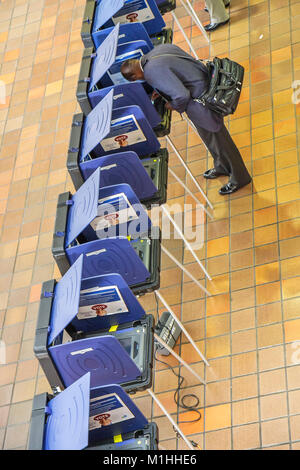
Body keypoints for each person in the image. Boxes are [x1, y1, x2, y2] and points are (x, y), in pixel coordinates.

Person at [120, 44, 251, 195]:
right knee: (210, 138)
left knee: (221, 140)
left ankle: (240, 177)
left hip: (202, 103)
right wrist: (161, 89)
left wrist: (172, 105)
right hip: (207, 85)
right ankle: (222, 166)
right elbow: (176, 70)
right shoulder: (158, 50)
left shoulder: (151, 72)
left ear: (134, 77)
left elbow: (181, 95)